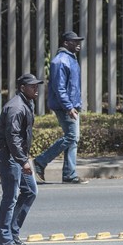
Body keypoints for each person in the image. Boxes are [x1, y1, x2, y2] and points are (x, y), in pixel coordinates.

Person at [0, 73, 43, 245]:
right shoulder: (16, 107)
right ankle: (4, 239)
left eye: (37, 86)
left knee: (30, 191)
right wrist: (23, 161)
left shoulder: (26, 103)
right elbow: (12, 137)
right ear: (23, 88)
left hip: (17, 156)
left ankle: (12, 233)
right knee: (10, 197)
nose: (36, 89)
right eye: (32, 86)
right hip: (9, 157)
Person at [33, 31, 88, 184]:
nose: (78, 44)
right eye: (74, 41)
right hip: (65, 107)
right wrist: (69, 107)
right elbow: (59, 88)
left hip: (71, 106)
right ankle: (41, 161)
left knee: (73, 139)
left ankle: (69, 174)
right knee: (71, 136)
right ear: (65, 43)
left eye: (78, 41)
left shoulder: (71, 59)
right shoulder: (60, 61)